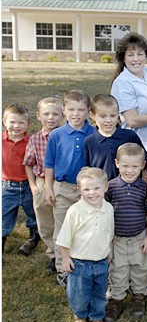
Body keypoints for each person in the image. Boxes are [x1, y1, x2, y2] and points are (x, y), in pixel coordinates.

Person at [44, 90, 94, 287]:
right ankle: (62, 269)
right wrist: (48, 188)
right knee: (62, 229)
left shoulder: (93, 132)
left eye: (81, 110)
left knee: (86, 229)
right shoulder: (57, 134)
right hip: (63, 188)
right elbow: (49, 164)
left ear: (88, 112)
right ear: (64, 110)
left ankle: (85, 265)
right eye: (71, 109)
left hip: (87, 191)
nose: (76, 114)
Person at [56, 167, 114, 322]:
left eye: (96, 188)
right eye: (86, 189)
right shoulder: (75, 211)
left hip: (101, 260)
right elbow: (65, 238)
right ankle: (80, 315)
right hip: (80, 262)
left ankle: (96, 316)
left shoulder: (108, 208)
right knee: (79, 293)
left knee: (99, 292)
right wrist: (65, 258)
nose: (92, 193)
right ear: (79, 190)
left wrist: (109, 250)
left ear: (105, 187)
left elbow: (109, 231)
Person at [104, 143, 147, 322]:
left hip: (139, 236)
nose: (130, 171)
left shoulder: (145, 188)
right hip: (117, 237)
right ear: (117, 163)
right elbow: (105, 215)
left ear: (142, 166)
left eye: (134, 166)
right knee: (118, 268)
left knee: (140, 267)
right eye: (125, 166)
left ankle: (139, 297)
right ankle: (117, 299)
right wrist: (108, 242)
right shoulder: (110, 187)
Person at [23, 97, 64, 269]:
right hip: (41, 181)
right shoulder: (35, 139)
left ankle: (64, 253)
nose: (51, 118)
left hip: (61, 182)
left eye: (55, 114)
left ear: (63, 116)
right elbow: (28, 164)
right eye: (46, 114)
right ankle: (53, 254)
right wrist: (33, 185)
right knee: (45, 220)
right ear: (38, 116)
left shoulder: (66, 136)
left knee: (62, 220)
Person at [110, 32, 147, 154]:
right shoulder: (122, 82)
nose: (136, 59)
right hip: (140, 147)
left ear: (146, 55)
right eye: (130, 55)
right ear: (123, 58)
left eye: (140, 54)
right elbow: (132, 120)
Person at [84, 94, 147, 180]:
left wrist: (143, 186)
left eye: (113, 116)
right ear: (92, 115)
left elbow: (145, 164)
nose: (108, 120)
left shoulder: (130, 136)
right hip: (101, 190)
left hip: (130, 189)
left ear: (118, 113)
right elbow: (86, 171)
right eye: (103, 116)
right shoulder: (89, 142)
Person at [2, 104, 37, 254]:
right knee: (4, 215)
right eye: (12, 122)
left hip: (28, 185)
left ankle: (33, 239)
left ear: (28, 124)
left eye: (21, 123)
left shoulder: (31, 142)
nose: (16, 126)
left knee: (33, 214)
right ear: (4, 122)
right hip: (7, 186)